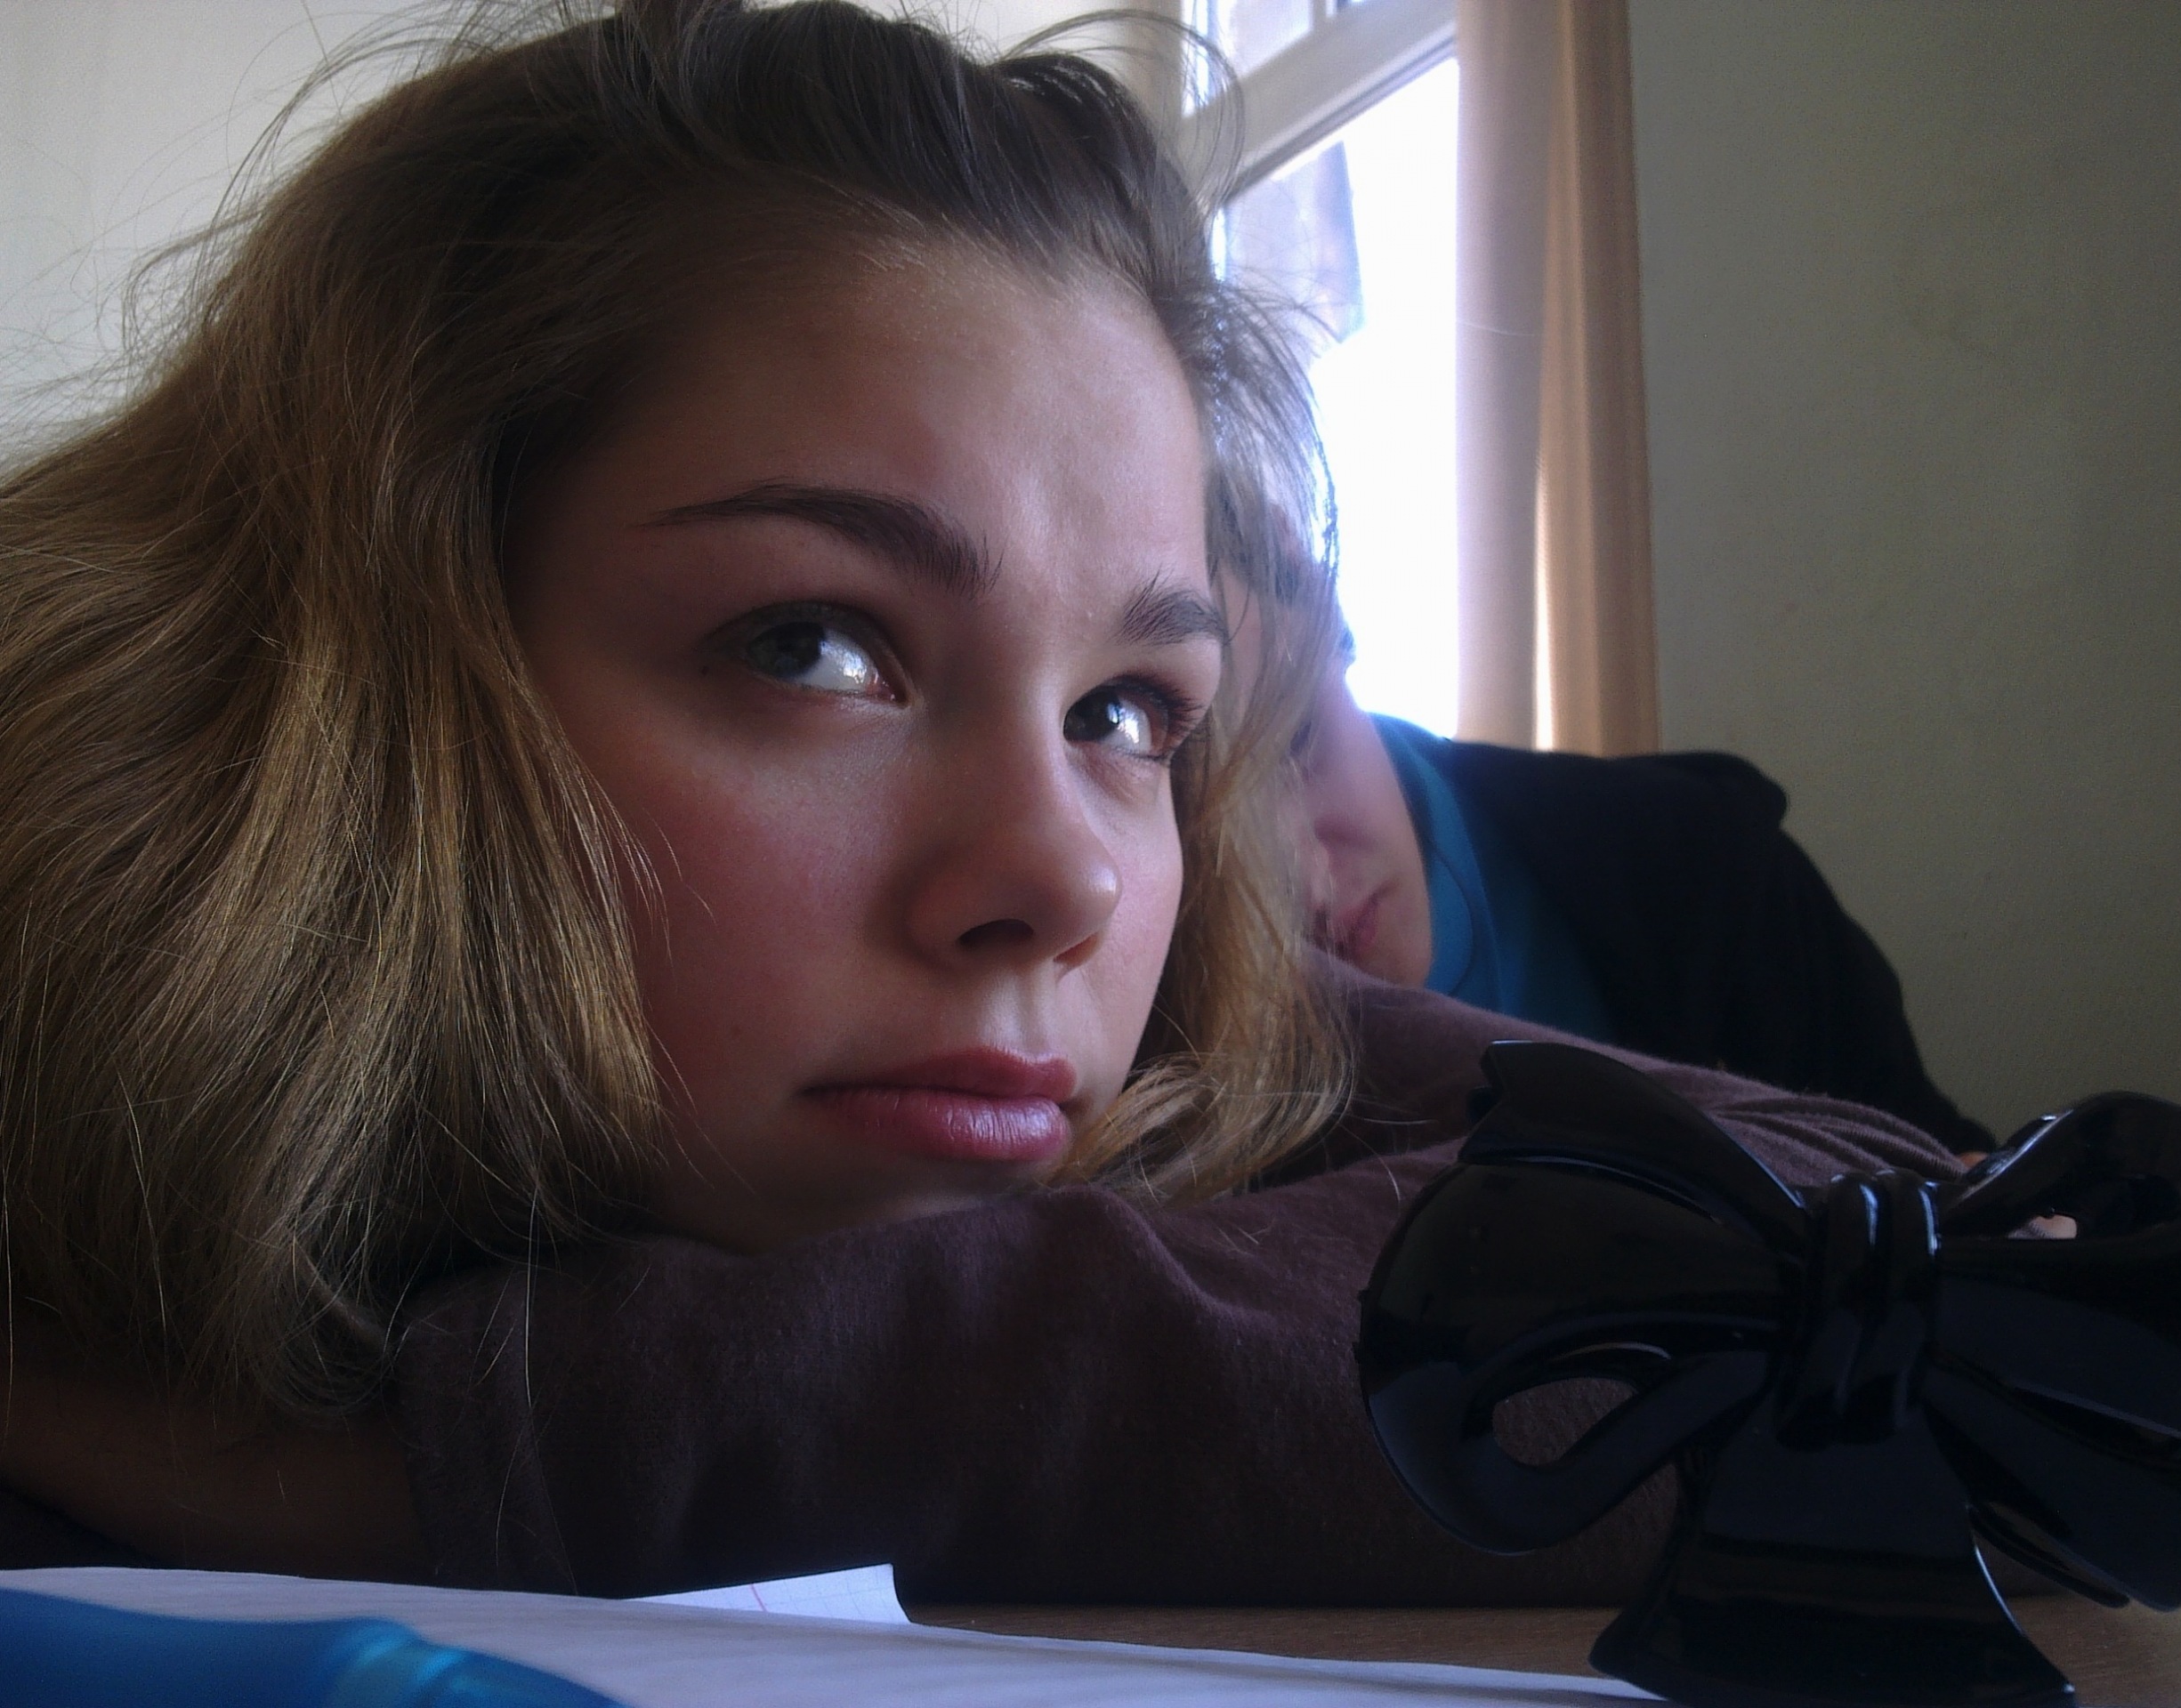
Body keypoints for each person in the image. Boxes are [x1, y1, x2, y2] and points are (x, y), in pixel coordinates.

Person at [0, 0, 1957, 1598]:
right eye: (810, 647)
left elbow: (1951, 1276)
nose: (1062, 879)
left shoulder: (1203, 1021)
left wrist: (465, 1457)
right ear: (326, 678)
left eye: (1128, 710)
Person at [1295, 650, 1996, 1152]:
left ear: (1330, 620)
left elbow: (1941, 1158)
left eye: (1295, 739)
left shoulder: (1704, 861)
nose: (1305, 880)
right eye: (1224, 811)